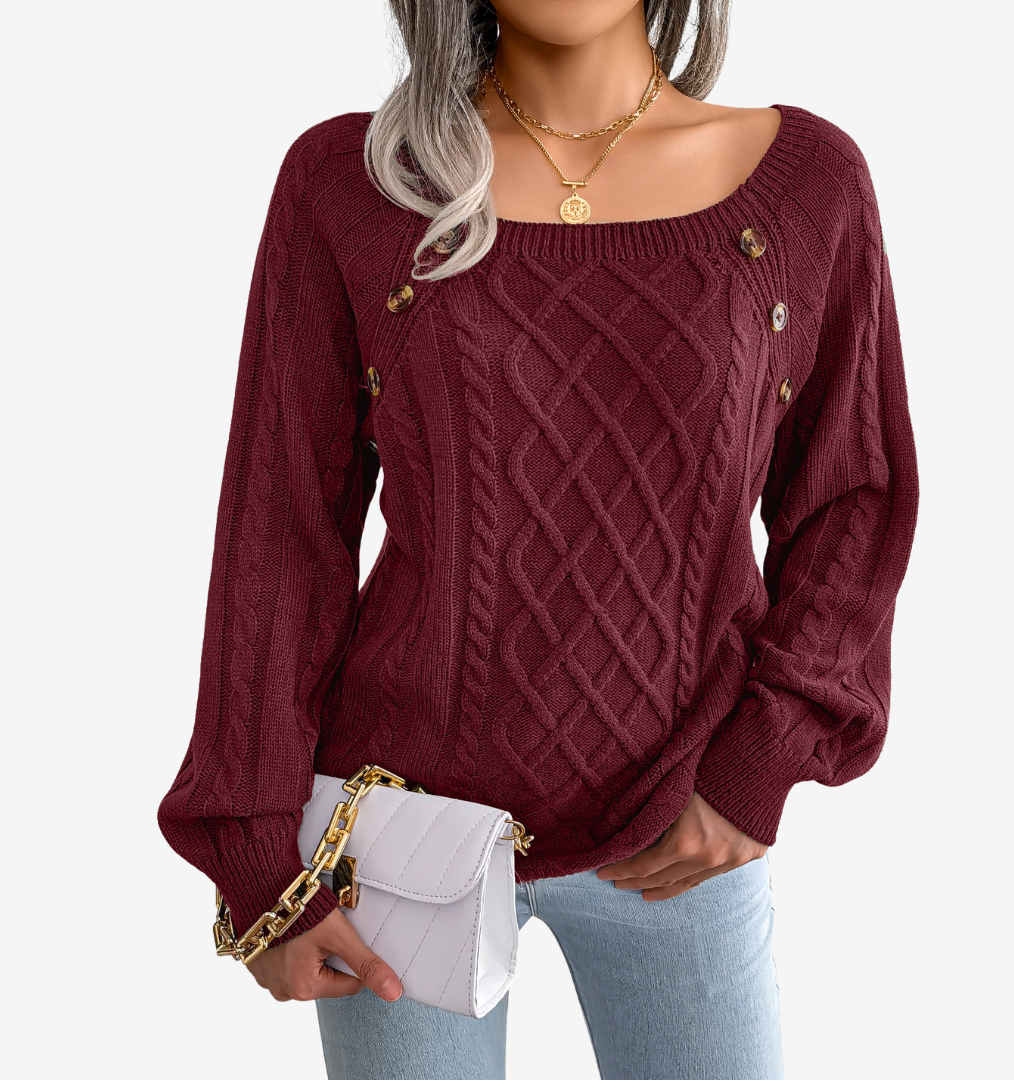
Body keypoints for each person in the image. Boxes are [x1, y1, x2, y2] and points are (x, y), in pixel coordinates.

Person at [158, 1, 919, 1077]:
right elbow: (283, 529)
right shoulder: (352, 185)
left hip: (685, 829)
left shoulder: (804, 187)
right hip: (402, 844)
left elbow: (853, 496)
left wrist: (763, 761)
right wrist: (256, 860)